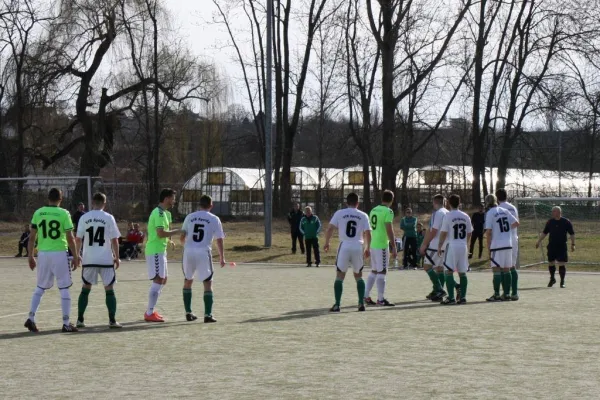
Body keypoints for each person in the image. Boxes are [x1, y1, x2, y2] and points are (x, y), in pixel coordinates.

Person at [24, 188, 81, 333]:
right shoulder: (64, 213)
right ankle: (66, 323)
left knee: (40, 287)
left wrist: (30, 256)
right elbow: (70, 237)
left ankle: (31, 318)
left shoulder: (38, 212)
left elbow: (32, 238)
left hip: (43, 254)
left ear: (48, 198)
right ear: (60, 199)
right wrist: (75, 256)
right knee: (64, 287)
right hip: (59, 254)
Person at [74, 192, 122, 328]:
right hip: (106, 259)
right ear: (104, 203)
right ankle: (112, 320)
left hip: (89, 259)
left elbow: (78, 239)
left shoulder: (84, 217)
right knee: (109, 289)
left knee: (85, 288)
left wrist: (77, 256)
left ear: (92, 203)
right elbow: (114, 239)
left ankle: (80, 319)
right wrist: (117, 257)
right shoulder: (109, 217)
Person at [180, 195, 226, 323]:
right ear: (211, 205)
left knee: (188, 280)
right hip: (203, 252)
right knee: (207, 283)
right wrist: (222, 257)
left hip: (188, 252)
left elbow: (182, 236)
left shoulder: (189, 217)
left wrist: (187, 247)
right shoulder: (214, 219)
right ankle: (208, 314)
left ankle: (188, 312)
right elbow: (219, 239)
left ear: (199, 205)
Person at [324, 193, 372, 312]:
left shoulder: (340, 213)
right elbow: (368, 233)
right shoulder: (363, 215)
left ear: (346, 202)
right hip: (358, 246)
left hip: (344, 246)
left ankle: (337, 305)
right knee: (358, 275)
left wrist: (327, 242)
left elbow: (330, 228)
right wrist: (368, 248)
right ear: (358, 203)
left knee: (340, 275)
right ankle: (361, 303)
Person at [144, 188, 181, 322]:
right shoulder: (158, 213)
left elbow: (164, 232)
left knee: (163, 280)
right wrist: (177, 232)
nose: (174, 201)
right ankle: (149, 313)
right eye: (173, 198)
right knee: (158, 279)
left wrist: (169, 239)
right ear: (166, 199)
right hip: (155, 250)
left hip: (161, 250)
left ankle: (151, 310)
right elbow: (160, 233)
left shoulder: (166, 213)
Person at [364, 189, 397, 306]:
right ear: (391, 200)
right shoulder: (388, 211)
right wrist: (394, 245)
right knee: (382, 271)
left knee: (374, 271)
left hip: (373, 244)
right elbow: (389, 229)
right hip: (382, 244)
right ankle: (380, 299)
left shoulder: (373, 210)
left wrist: (367, 246)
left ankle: (366, 296)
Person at [438, 194, 472, 305]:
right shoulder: (465, 216)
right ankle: (463, 298)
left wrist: (439, 246)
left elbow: (443, 233)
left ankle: (451, 298)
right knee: (462, 272)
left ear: (448, 203)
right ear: (459, 202)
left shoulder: (448, 216)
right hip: (463, 246)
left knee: (448, 271)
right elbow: (469, 232)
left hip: (452, 245)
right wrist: (466, 243)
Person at [484, 194, 519, 302]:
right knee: (506, 269)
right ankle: (507, 294)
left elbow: (488, 232)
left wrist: (488, 247)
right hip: (508, 244)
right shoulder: (505, 210)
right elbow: (516, 223)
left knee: (496, 270)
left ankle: (496, 294)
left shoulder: (490, 213)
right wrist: (506, 231)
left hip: (497, 244)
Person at [535, 206, 575, 288]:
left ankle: (562, 282)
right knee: (551, 263)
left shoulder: (566, 222)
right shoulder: (550, 222)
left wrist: (573, 244)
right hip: (552, 246)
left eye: (554, 211)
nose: (552, 213)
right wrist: (538, 241)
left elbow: (572, 234)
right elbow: (544, 233)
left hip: (561, 246)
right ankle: (552, 278)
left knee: (561, 263)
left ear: (559, 212)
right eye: (552, 211)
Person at [419, 194, 449, 302]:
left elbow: (433, 231)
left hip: (436, 244)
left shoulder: (438, 213)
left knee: (427, 266)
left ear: (434, 202)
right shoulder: (447, 212)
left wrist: (424, 244)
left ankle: (440, 289)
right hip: (446, 245)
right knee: (440, 269)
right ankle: (437, 291)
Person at [497, 189, 520, 299]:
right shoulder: (513, 207)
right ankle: (514, 293)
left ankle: (505, 292)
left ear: (497, 198)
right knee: (512, 266)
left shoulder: (498, 209)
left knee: (503, 267)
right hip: (514, 238)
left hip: (504, 240)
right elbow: (516, 222)